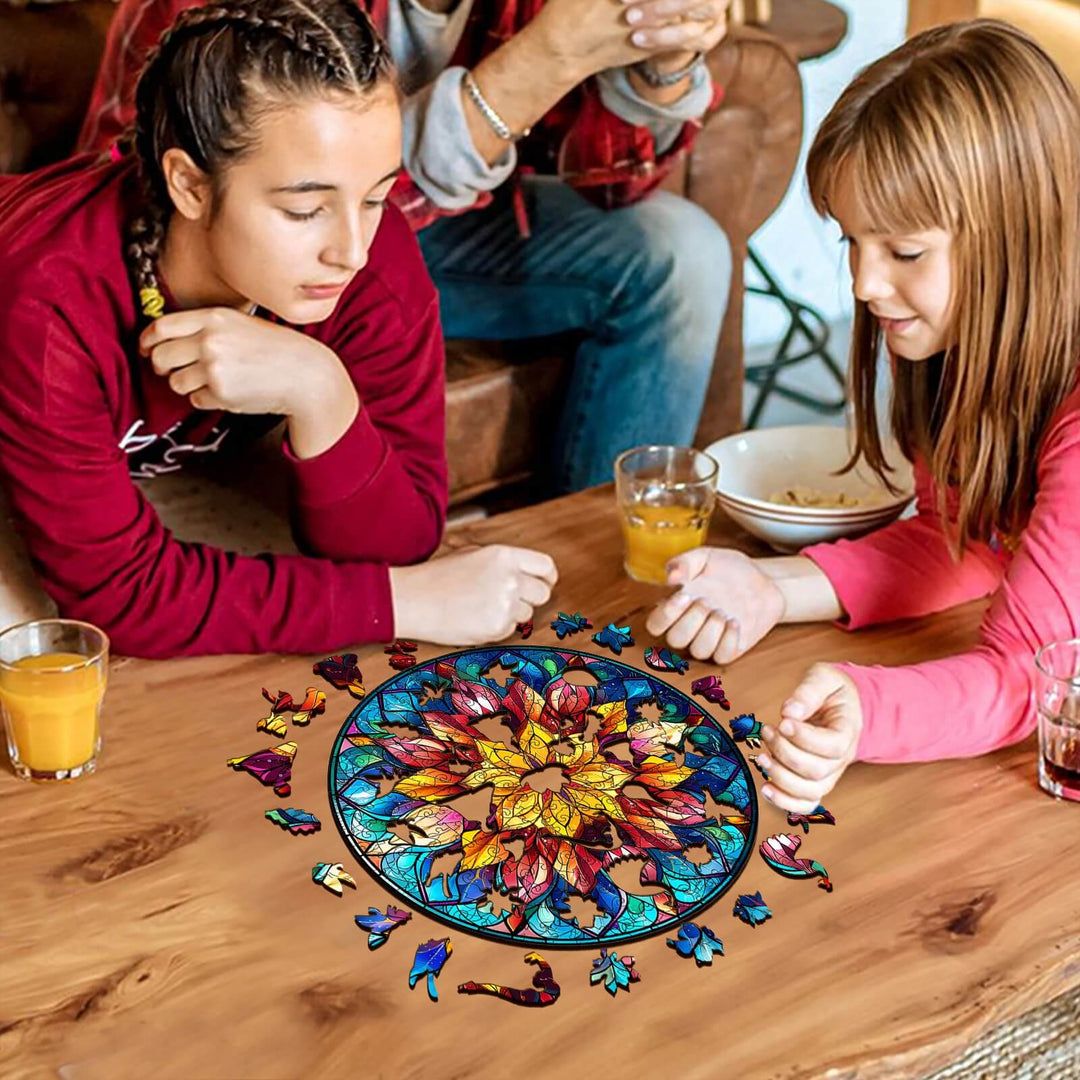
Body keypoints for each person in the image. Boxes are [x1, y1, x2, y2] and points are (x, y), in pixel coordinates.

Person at [0, 0, 556, 657]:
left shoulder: (371, 255)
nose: (351, 249)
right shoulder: (49, 301)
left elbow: (402, 538)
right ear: (189, 185)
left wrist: (321, 391)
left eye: (375, 196)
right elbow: (123, 598)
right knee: (33, 650)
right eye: (305, 210)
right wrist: (405, 601)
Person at [646, 19, 1080, 812]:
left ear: (1022, 236)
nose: (862, 283)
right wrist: (772, 588)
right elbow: (966, 538)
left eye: (904, 252)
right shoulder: (964, 347)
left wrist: (869, 709)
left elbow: (1033, 673)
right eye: (852, 241)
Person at [77, 0, 734, 493]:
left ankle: (604, 569)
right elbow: (157, 205)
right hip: (235, 248)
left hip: (434, 224)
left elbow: (617, 187)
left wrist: (661, 63)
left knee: (680, 252)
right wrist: (544, 60)